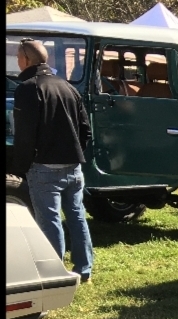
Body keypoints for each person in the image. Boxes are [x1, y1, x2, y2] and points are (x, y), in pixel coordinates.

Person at [10, 38, 93, 282]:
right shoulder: (68, 87)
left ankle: (54, 273)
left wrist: (21, 165)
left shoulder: (28, 88)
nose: (17, 61)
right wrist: (74, 154)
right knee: (77, 217)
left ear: (26, 59)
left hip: (44, 166)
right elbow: (86, 130)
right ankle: (84, 269)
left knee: (50, 220)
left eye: (18, 57)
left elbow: (25, 134)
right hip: (73, 166)